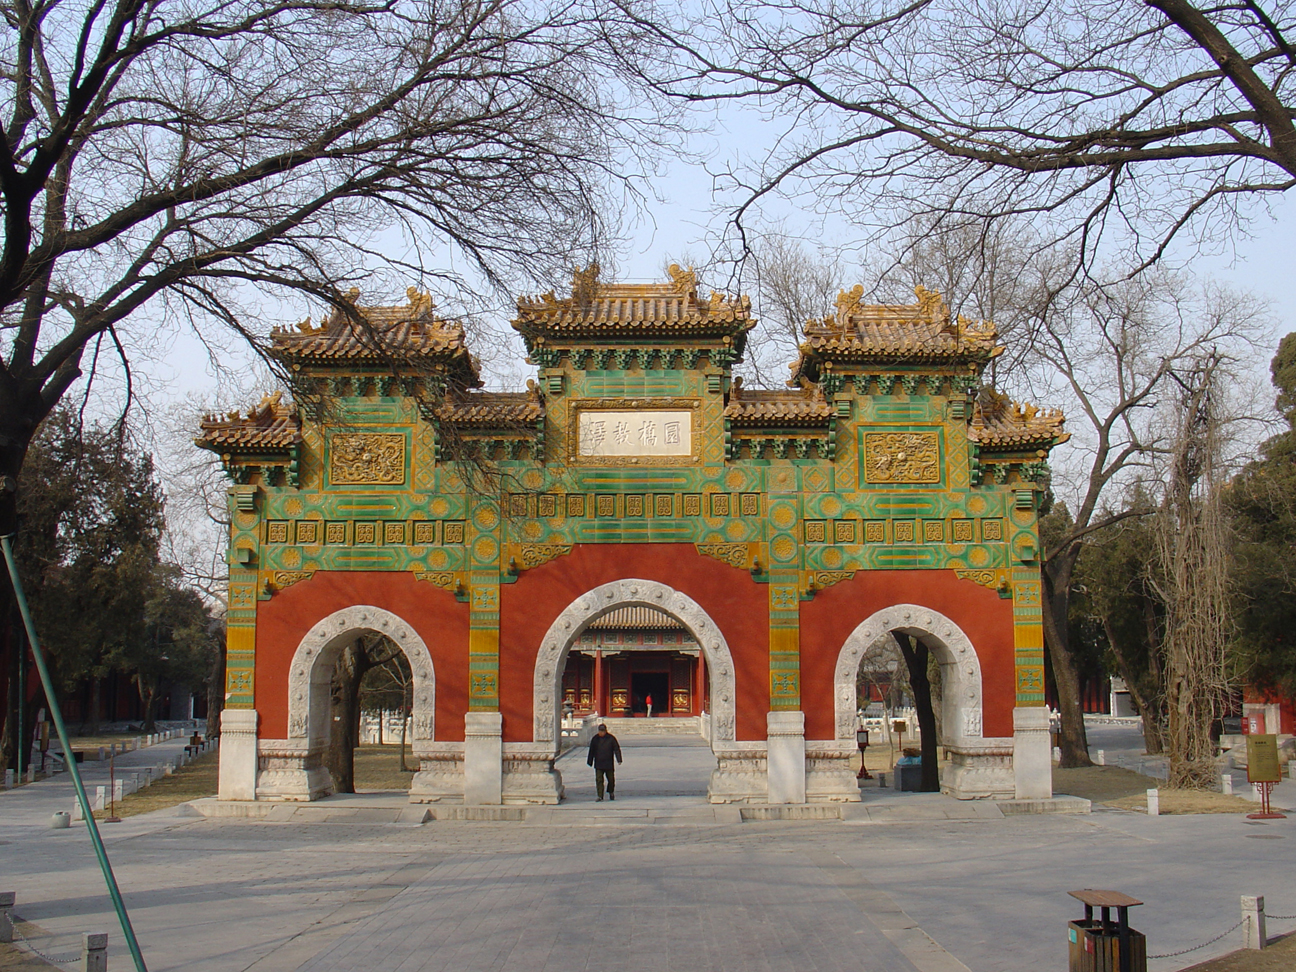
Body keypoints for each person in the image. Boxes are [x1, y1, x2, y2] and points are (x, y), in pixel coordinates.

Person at [586, 723, 622, 801]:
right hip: (598, 763)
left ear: (606, 731)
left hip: (608, 763)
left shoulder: (611, 738)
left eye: (603, 731)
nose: (601, 733)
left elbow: (616, 749)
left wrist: (619, 759)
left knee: (611, 779)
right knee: (599, 780)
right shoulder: (595, 739)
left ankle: (611, 791)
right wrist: (590, 761)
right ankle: (600, 796)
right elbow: (591, 750)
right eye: (600, 731)